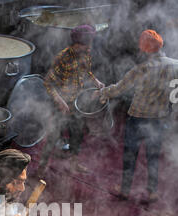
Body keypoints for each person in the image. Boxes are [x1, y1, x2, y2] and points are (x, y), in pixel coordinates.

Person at [98, 29, 178, 202]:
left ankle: (125, 190)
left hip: (137, 118)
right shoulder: (175, 65)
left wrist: (103, 92)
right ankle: (152, 192)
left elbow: (119, 88)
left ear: (143, 49)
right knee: (153, 156)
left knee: (130, 154)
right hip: (158, 119)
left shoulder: (140, 69)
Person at [43, 24, 104, 164]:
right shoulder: (62, 58)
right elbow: (48, 83)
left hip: (77, 101)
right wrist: (60, 101)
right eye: (86, 45)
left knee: (77, 132)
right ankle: (42, 166)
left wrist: (96, 82)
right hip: (61, 103)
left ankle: (74, 163)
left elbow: (87, 72)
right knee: (54, 134)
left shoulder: (86, 53)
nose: (89, 48)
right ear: (77, 44)